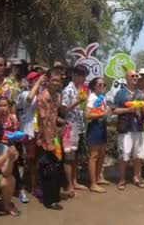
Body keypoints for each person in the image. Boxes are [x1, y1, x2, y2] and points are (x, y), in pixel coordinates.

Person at [113, 69, 144, 190]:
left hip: (138, 127)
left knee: (138, 155)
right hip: (125, 128)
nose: (135, 77)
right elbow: (114, 110)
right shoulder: (120, 94)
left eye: (136, 75)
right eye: (132, 75)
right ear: (127, 78)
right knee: (124, 155)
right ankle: (122, 179)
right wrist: (128, 110)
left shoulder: (141, 94)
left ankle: (136, 177)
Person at [36, 70, 65, 210]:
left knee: (55, 167)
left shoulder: (57, 96)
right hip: (45, 138)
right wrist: (48, 142)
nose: (56, 83)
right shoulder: (42, 97)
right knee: (48, 169)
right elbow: (43, 121)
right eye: (53, 80)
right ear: (47, 81)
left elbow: (53, 116)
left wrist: (62, 121)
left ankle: (54, 196)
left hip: (54, 136)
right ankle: (49, 201)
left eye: (58, 81)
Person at [61, 65, 89, 196]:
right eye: (82, 76)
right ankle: (69, 185)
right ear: (76, 75)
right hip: (70, 127)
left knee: (76, 157)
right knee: (69, 157)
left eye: (84, 76)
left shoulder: (80, 89)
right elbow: (64, 110)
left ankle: (75, 181)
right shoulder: (68, 90)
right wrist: (78, 101)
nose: (83, 79)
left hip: (79, 126)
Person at [16, 72, 44, 201]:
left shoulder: (41, 94)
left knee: (35, 161)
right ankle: (23, 187)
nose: (39, 82)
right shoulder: (25, 93)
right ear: (31, 82)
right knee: (28, 161)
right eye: (36, 80)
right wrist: (38, 84)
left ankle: (34, 186)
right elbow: (29, 99)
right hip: (28, 132)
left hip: (38, 131)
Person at [85, 77, 108, 193]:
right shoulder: (92, 97)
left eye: (104, 85)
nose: (102, 86)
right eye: (99, 85)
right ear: (94, 86)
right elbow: (87, 115)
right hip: (94, 127)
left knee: (102, 154)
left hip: (102, 126)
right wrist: (102, 114)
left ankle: (98, 178)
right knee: (94, 156)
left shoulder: (102, 97)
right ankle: (93, 183)